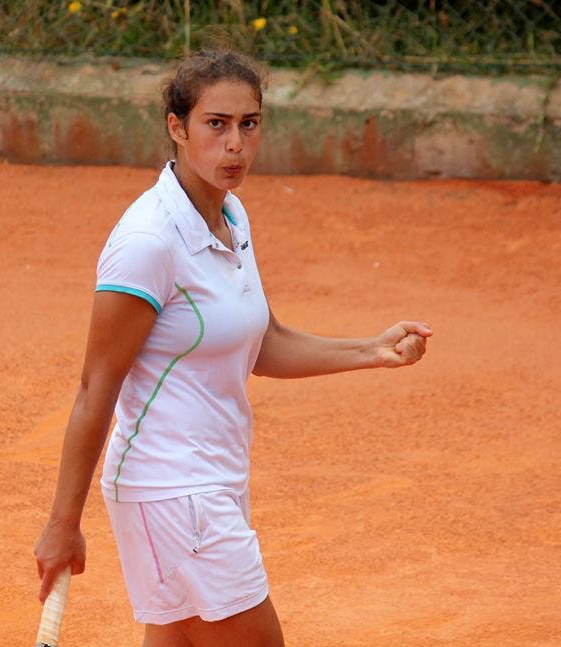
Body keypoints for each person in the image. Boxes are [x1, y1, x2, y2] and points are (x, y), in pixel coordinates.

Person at [33, 48, 432, 647]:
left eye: (249, 124)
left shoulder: (231, 217)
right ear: (177, 127)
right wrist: (63, 524)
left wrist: (370, 350)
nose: (236, 145)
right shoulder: (149, 242)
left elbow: (261, 340)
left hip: (210, 481)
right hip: (172, 491)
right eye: (215, 125)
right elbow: (96, 387)